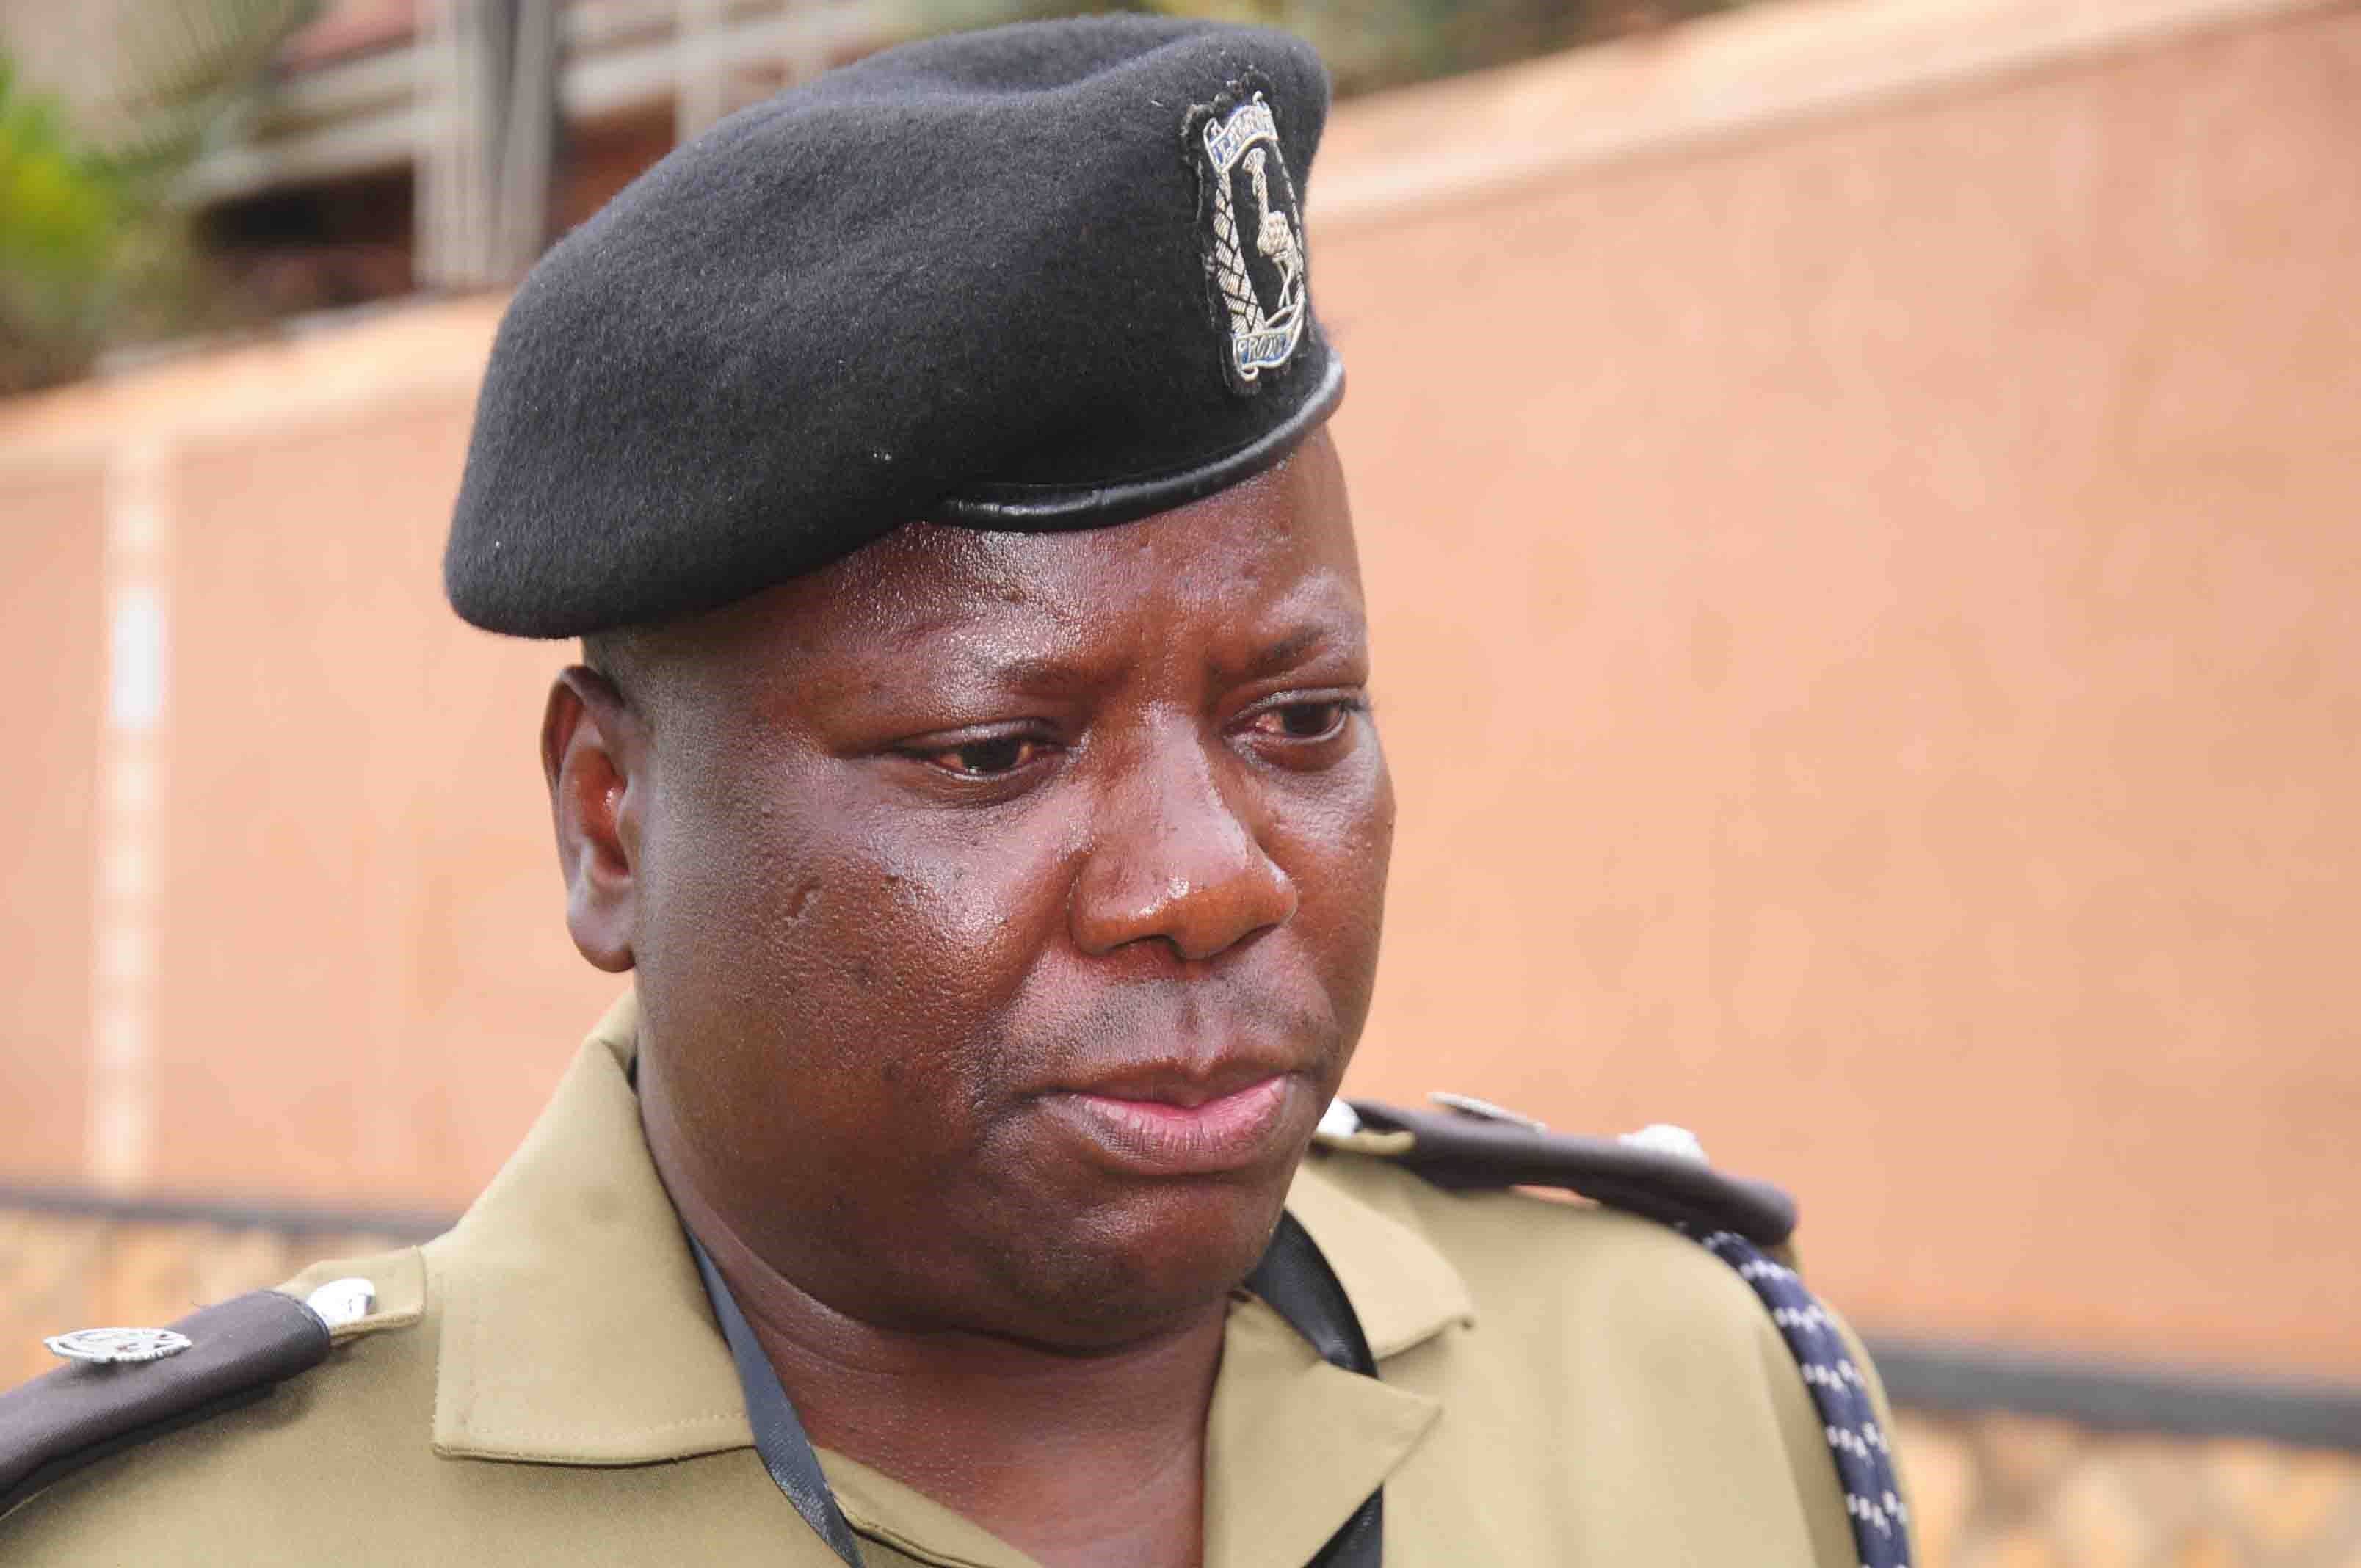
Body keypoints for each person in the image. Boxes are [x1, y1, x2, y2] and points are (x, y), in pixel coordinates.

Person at [0, 17, 1910, 1566]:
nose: (1211, 881)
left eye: (1298, 718)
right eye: (997, 751)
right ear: (610, 820)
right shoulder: (190, 1541)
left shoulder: (1684, 1392)